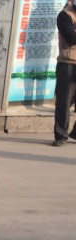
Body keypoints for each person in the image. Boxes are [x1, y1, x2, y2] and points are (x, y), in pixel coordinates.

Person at [54, 0, 76, 146]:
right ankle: (60, 135)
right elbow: (71, 37)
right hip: (69, 63)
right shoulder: (65, 15)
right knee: (64, 101)